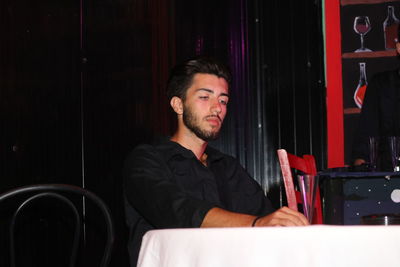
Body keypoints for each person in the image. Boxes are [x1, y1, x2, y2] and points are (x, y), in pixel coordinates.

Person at [123, 56, 308, 266]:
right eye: (204, 97)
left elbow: (266, 216)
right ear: (178, 105)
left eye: (223, 100)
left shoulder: (227, 167)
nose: (217, 108)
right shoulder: (147, 159)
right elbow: (177, 211)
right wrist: (256, 224)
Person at [352, 36, 400, 170]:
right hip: (389, 177)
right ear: (399, 48)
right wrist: (360, 176)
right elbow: (367, 132)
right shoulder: (381, 84)